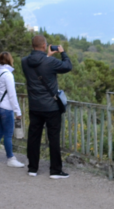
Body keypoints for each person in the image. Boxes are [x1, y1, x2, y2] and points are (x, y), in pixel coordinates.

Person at [22, 34, 72, 179]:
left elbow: (39, 64)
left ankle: (32, 168)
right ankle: (55, 171)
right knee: (53, 138)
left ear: (33, 46)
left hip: (34, 106)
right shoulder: (50, 62)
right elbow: (67, 66)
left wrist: (48, 57)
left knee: (33, 137)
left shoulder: (24, 62)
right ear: (44, 46)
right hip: (51, 107)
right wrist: (62, 52)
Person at [0, 52, 24, 167]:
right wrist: (18, 111)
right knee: (8, 134)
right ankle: (11, 159)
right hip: (6, 108)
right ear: (10, 60)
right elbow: (12, 95)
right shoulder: (8, 75)